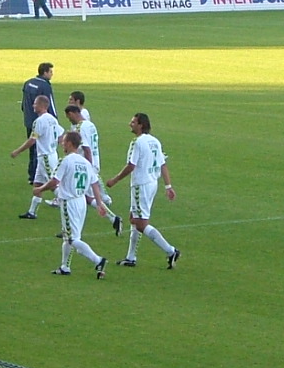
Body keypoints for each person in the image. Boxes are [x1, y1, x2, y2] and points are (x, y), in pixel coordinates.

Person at [106, 113, 180, 269]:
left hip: (141, 184)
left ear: (141, 125)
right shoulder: (155, 141)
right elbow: (163, 165)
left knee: (140, 223)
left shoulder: (137, 142)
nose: (130, 124)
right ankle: (131, 257)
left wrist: (115, 179)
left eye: (133, 122)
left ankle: (170, 250)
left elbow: (131, 165)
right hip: (152, 183)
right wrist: (168, 186)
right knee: (134, 218)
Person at [35, 131, 110, 278]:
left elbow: (54, 181)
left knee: (72, 238)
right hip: (81, 201)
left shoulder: (66, 161)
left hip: (69, 202)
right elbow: (95, 184)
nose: (62, 143)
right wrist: (99, 203)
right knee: (70, 236)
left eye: (64, 141)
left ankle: (98, 260)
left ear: (69, 143)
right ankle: (65, 266)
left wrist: (40, 189)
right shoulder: (85, 162)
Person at [64, 104, 121, 235]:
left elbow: (87, 149)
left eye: (69, 117)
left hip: (85, 166)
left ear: (73, 113)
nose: (69, 120)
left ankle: (113, 218)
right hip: (94, 163)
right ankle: (71, 228)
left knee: (77, 195)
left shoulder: (80, 127)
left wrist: (88, 169)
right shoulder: (90, 124)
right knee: (85, 196)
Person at [11, 94, 64, 219]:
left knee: (52, 185)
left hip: (45, 156)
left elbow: (32, 140)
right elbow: (61, 134)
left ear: (41, 106)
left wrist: (17, 151)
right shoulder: (52, 118)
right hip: (49, 155)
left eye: (35, 103)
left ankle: (66, 202)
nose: (33, 105)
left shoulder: (39, 121)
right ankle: (32, 212)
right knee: (38, 184)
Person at [21, 63, 56, 183]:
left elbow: (23, 103)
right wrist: (54, 120)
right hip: (41, 122)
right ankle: (40, 175)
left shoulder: (28, 82)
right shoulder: (45, 86)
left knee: (32, 147)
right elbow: (49, 104)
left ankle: (32, 175)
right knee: (40, 147)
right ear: (45, 72)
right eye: (51, 72)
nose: (52, 74)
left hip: (29, 120)